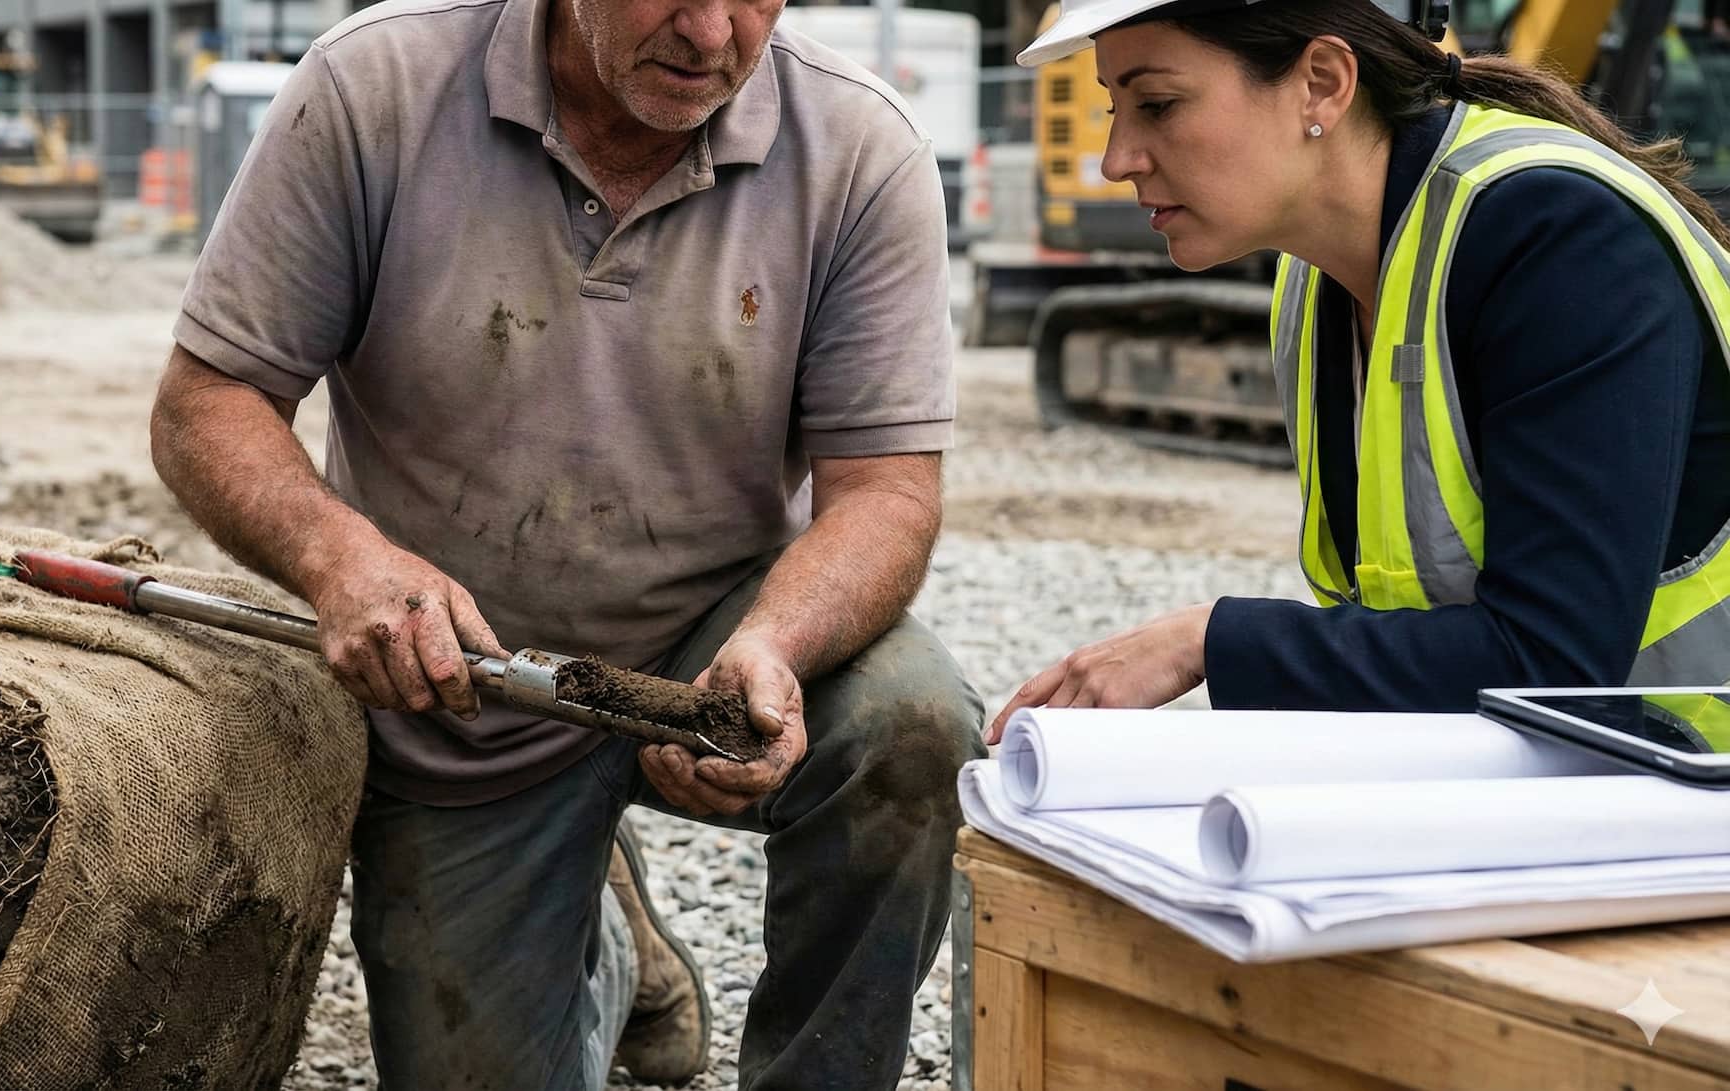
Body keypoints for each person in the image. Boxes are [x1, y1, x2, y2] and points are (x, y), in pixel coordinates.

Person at [147, 0, 987, 1083]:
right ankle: (615, 945)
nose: (710, 31)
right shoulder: (376, 87)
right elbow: (207, 401)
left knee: (911, 725)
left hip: (715, 637)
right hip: (465, 682)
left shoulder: (857, 145)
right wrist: (343, 560)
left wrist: (776, 642)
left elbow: (885, 492)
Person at [991, 0, 1730, 736]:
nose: (1117, 158)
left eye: (1157, 104)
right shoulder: (1315, 284)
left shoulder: (1560, 239)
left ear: (1321, 83)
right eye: (1115, 107)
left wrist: (1210, 639)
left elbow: (1550, 663)